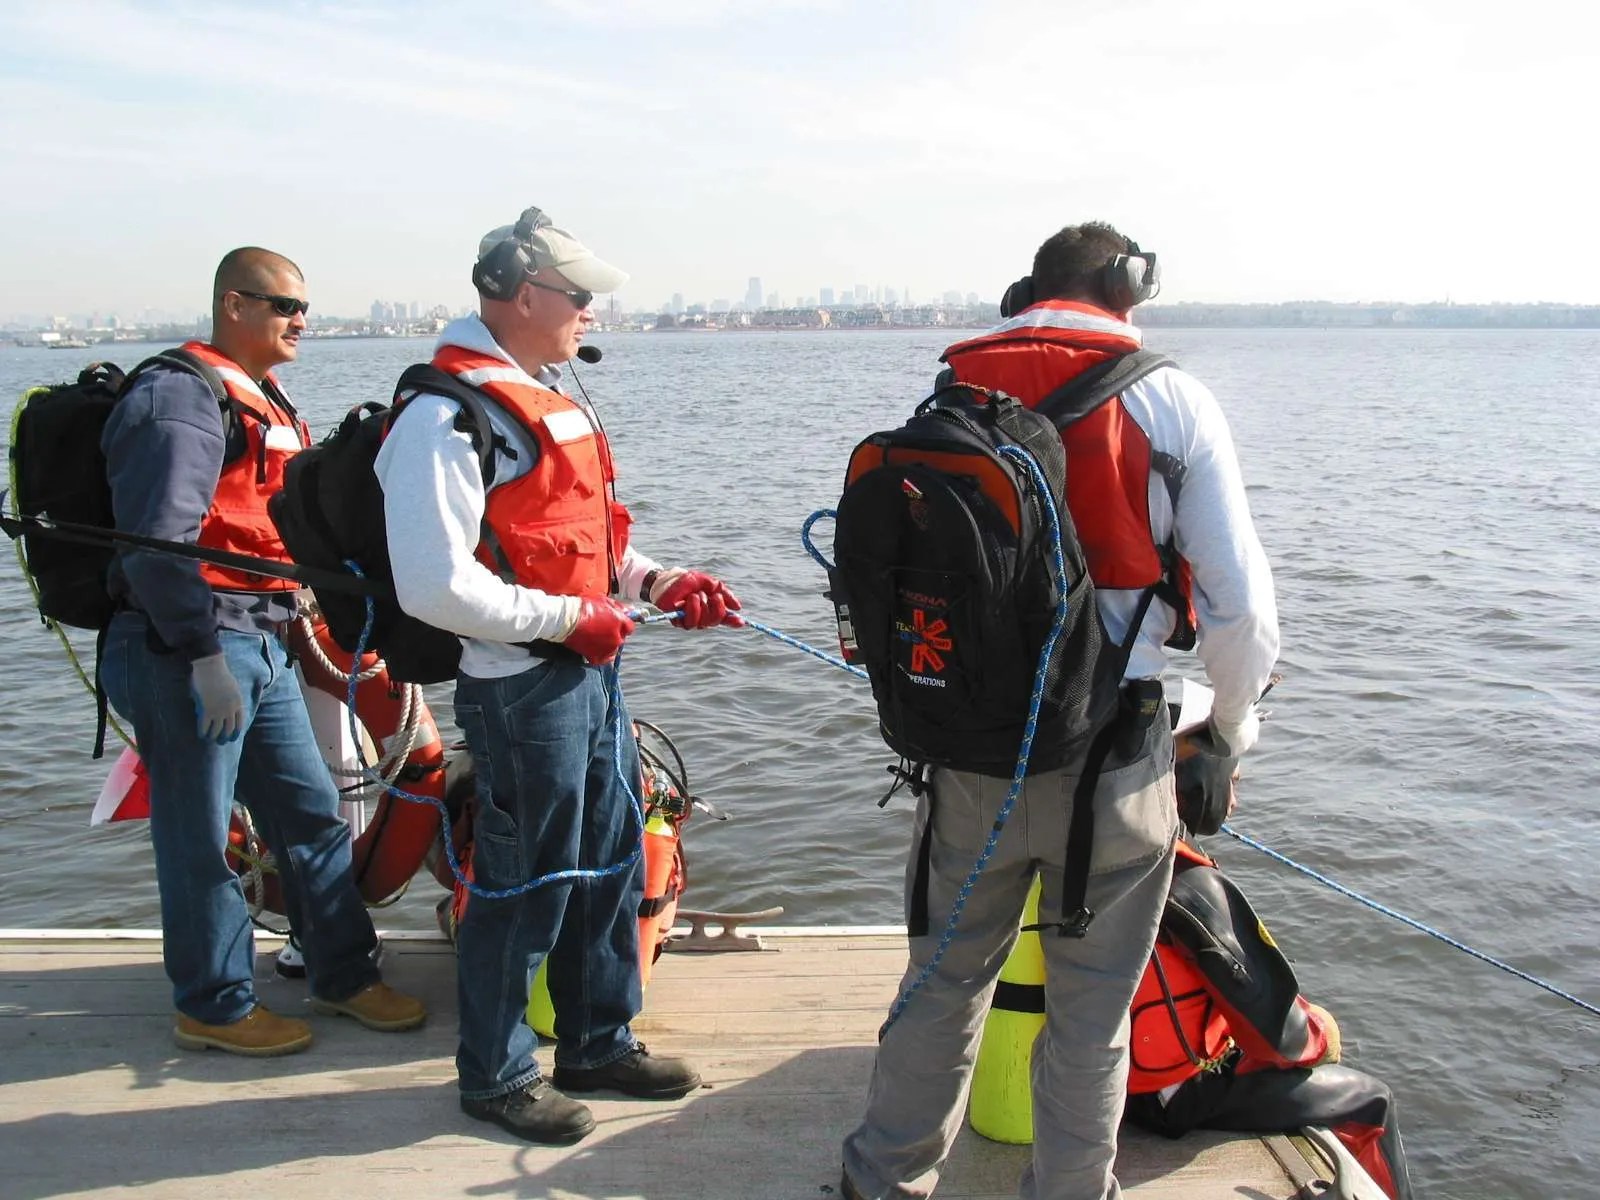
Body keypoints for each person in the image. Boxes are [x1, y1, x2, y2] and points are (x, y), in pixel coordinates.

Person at [841, 221, 1280, 1200]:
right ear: (1126, 290)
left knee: (940, 986)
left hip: (965, 758)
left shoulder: (951, 391)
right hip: (1116, 757)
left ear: (1026, 290)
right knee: (1090, 1019)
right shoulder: (1172, 398)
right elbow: (1241, 611)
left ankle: (881, 1183)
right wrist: (1230, 734)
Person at [375, 205, 743, 1144]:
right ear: (521, 292)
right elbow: (432, 586)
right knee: (517, 884)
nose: (590, 311)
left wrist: (658, 581)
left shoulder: (536, 398)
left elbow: (578, 549)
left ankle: (596, 1042)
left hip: (588, 679)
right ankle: (496, 1077)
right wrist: (570, 621)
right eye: (578, 295)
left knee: (612, 859)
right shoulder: (442, 415)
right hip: (518, 691)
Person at [100, 247, 426, 1056]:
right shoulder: (178, 398)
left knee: (311, 813)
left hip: (266, 640)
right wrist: (202, 656)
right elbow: (156, 545)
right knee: (198, 832)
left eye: (303, 307)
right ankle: (212, 1004)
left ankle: (343, 973)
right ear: (233, 305)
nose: (300, 321)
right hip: (192, 650)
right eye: (284, 306)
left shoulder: (264, 397)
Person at [1123, 746, 1414, 1200]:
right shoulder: (1191, 885)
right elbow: (1278, 1033)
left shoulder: (1109, 854)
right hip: (1172, 1096)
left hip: (1103, 1078)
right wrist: (1319, 1034)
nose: (1234, 801)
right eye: (1232, 783)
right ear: (1197, 786)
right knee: (1373, 1102)